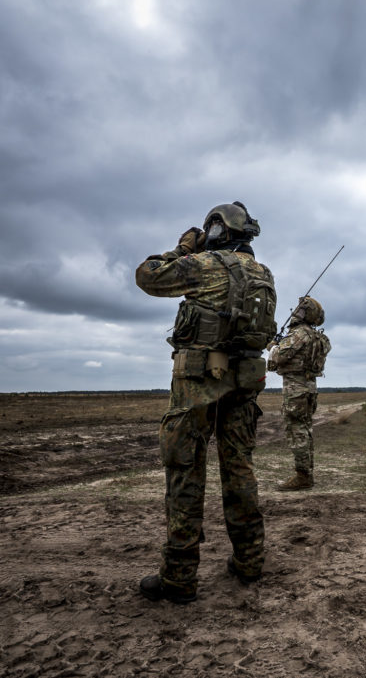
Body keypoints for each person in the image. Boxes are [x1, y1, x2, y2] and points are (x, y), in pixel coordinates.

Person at [134, 201, 276, 604]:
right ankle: (250, 560)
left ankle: (179, 577)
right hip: (243, 382)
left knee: (185, 469)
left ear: (217, 230)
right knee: (239, 468)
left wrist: (183, 248)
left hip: (197, 382)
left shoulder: (204, 264)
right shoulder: (263, 273)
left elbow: (147, 276)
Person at [268, 295, 331, 491]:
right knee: (306, 429)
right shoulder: (317, 337)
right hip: (310, 387)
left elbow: (278, 358)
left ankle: (303, 476)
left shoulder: (299, 334)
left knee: (297, 431)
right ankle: (307, 473)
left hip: (295, 389)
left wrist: (272, 346)